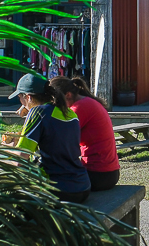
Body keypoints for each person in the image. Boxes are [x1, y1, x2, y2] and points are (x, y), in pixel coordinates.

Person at [9, 73, 91, 203]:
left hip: (58, 189)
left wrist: (9, 149)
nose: (21, 103)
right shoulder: (69, 113)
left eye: (20, 97)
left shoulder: (38, 112)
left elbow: (20, 161)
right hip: (83, 186)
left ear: (28, 97)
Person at [49, 76, 120, 191]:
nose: (56, 106)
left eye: (57, 102)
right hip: (109, 172)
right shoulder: (87, 102)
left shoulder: (79, 108)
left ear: (68, 95)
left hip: (98, 174)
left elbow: (60, 138)